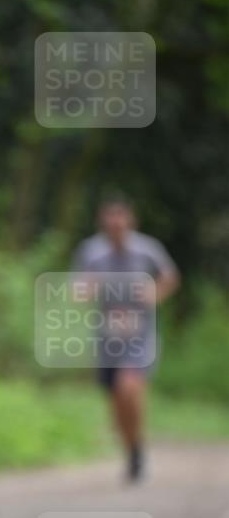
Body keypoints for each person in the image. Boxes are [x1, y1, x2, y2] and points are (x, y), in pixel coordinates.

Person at [72, 196, 180, 482]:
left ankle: (137, 447)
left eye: (121, 218)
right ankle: (132, 449)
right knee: (116, 401)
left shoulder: (148, 249)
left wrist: (155, 293)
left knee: (129, 387)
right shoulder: (91, 251)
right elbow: (77, 288)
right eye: (111, 218)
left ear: (131, 221)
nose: (116, 224)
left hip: (139, 335)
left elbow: (170, 276)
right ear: (103, 222)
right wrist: (88, 289)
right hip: (107, 336)